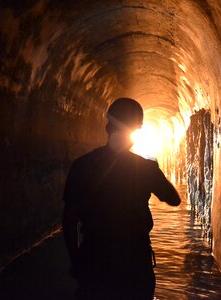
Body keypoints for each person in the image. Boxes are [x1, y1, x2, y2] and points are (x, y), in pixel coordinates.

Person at [62, 98, 181, 299]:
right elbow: (173, 199)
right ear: (135, 130)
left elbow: (69, 220)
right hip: (134, 259)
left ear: (108, 127)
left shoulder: (82, 166)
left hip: (94, 257)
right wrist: (155, 172)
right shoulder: (145, 168)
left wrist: (75, 259)